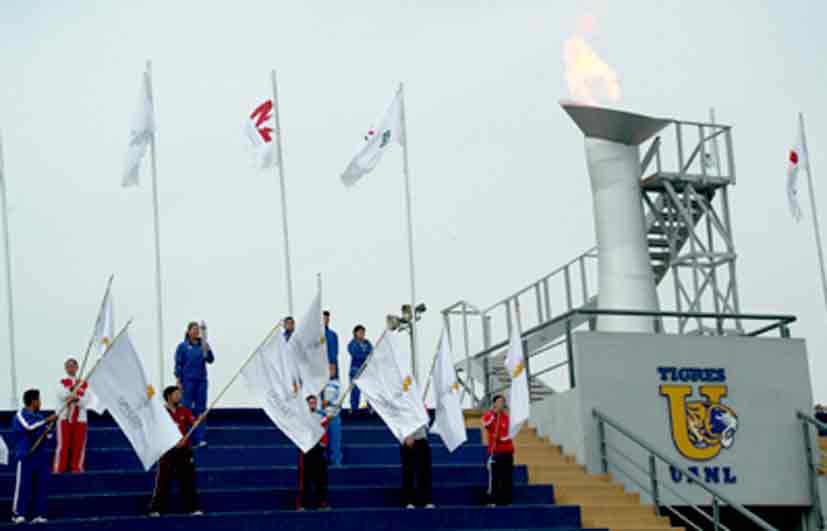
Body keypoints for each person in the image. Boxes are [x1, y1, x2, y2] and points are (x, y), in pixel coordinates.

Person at [149, 386, 202, 517]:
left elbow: (193, 423)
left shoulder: (185, 411)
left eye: (180, 394)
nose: (179, 396)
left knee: (188, 480)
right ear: (169, 396)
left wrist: (197, 421)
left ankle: (193, 508)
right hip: (167, 449)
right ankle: (156, 509)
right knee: (163, 480)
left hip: (184, 450)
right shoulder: (160, 412)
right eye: (176, 394)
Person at [11, 389, 58, 524]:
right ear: (34, 401)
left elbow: (48, 436)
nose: (40, 403)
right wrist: (46, 420)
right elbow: (29, 427)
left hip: (40, 457)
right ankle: (18, 514)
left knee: (41, 487)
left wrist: (49, 429)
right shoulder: (20, 415)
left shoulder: (39, 417)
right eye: (39, 400)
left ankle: (39, 514)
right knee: (23, 486)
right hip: (26, 456)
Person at [175, 321, 214, 448]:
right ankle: (185, 437)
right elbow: (178, 364)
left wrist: (208, 351)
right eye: (194, 329)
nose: (196, 331)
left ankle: (200, 438)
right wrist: (178, 380)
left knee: (201, 409)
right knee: (186, 408)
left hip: (201, 381)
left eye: (198, 329)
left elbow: (210, 360)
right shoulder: (182, 346)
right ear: (188, 331)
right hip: (187, 381)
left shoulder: (203, 345)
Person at [53, 357, 91, 474]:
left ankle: (77, 468)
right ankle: (59, 469)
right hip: (64, 417)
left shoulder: (83, 383)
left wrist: (76, 398)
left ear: (77, 367)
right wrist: (72, 391)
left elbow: (86, 400)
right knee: (63, 445)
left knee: (78, 445)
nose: (71, 368)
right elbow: (62, 395)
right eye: (68, 366)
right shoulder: (62, 382)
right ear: (65, 368)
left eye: (73, 366)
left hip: (80, 418)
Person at [297, 396, 330, 511]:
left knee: (321, 478)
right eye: (310, 403)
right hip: (306, 449)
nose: (312, 405)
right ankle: (303, 504)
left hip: (318, 449)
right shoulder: (301, 417)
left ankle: (320, 503)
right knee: (304, 479)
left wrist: (323, 445)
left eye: (314, 403)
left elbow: (324, 432)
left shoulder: (320, 416)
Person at [482, 394, 514, 507]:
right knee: (495, 477)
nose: (501, 404)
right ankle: (492, 500)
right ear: (494, 403)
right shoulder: (489, 415)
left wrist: (500, 438)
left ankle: (506, 501)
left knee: (507, 477)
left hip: (508, 451)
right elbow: (485, 423)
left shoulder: (507, 418)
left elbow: (510, 434)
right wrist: (494, 414)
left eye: (503, 402)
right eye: (499, 401)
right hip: (496, 451)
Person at [400, 425, 434, 509]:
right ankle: (408, 501)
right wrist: (406, 436)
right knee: (409, 471)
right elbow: (399, 420)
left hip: (422, 437)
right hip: (407, 439)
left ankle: (426, 500)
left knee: (425, 470)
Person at [347, 325, 372, 412]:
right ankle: (354, 409)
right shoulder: (352, 343)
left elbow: (371, 353)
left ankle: (370, 408)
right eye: (360, 332)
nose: (362, 334)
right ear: (355, 333)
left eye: (363, 332)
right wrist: (365, 355)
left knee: (369, 390)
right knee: (355, 390)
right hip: (356, 370)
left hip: (366, 370)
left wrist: (367, 355)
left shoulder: (367, 343)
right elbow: (355, 354)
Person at [321, 364, 342, 466]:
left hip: (333, 416)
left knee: (335, 441)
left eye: (333, 369)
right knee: (322, 442)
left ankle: (336, 462)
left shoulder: (337, 384)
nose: (331, 371)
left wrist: (329, 402)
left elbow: (339, 399)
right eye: (329, 369)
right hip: (322, 416)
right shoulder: (320, 383)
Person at [323, 311, 339, 379]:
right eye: (324, 319)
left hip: (331, 366)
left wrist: (332, 363)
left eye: (327, 319)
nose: (326, 321)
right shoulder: (315, 335)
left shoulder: (332, 334)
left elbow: (334, 351)